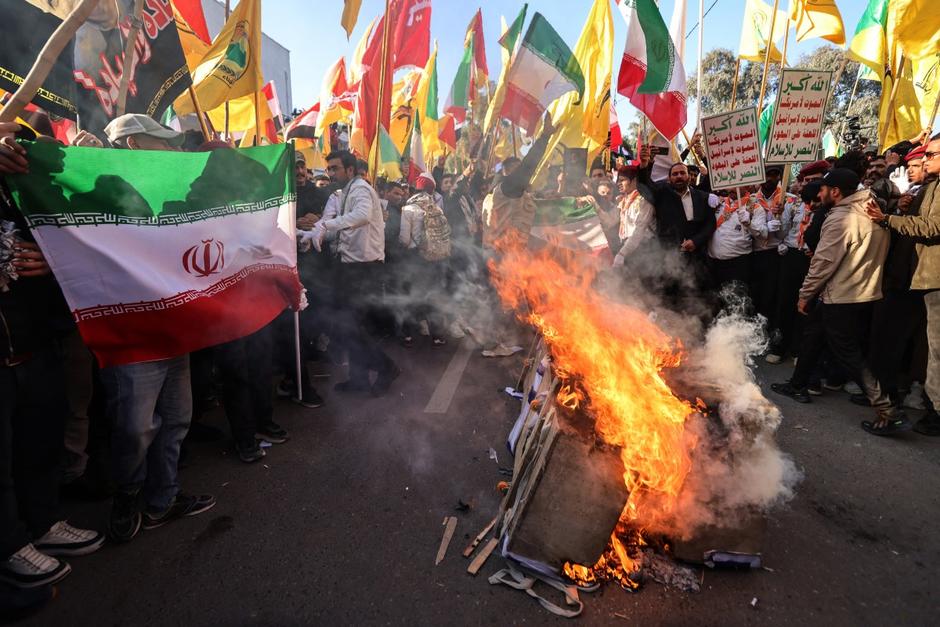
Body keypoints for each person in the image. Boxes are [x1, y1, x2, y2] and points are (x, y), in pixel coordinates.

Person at [99, 115, 216, 541]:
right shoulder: (101, 192)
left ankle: (163, 498)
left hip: (175, 331)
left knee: (175, 421)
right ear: (133, 145)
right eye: (162, 142)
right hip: (133, 336)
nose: (173, 151)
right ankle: (127, 496)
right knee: (134, 428)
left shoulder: (173, 192)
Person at [0, 122, 104, 588]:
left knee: (38, 441)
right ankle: (9, 543)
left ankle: (43, 524)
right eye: (9, 140)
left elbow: (76, 238)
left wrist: (50, 257)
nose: (18, 150)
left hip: (36, 344)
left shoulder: (29, 197)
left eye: (25, 143)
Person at [772, 169, 909, 435]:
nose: (818, 193)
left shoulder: (842, 218)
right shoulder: (872, 210)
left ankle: (888, 410)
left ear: (835, 191)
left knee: (849, 353)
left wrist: (804, 295)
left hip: (843, 294)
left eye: (822, 188)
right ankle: (798, 384)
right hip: (860, 292)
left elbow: (823, 263)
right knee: (814, 333)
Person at [302, 150, 399, 396]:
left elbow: (362, 216)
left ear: (350, 170)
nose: (331, 173)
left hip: (364, 271)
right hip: (351, 269)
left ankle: (386, 367)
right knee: (353, 327)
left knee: (350, 328)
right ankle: (359, 380)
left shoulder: (360, 189)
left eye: (335, 168)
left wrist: (324, 225)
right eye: (329, 169)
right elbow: (341, 228)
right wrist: (312, 234)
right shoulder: (344, 193)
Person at [866, 136, 940, 436]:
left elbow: (933, 227)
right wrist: (903, 209)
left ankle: (933, 412)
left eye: (931, 155)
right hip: (914, 277)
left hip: (931, 278)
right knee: (898, 341)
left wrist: (888, 219)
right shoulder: (930, 186)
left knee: (934, 349)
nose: (924, 162)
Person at [399, 173, 451, 346]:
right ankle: (437, 336)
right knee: (432, 296)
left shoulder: (408, 209)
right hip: (434, 259)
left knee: (412, 296)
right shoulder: (436, 208)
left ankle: (408, 335)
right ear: (431, 190)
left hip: (415, 260)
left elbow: (405, 240)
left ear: (415, 190)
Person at [706, 187, 767, 297]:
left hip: (737, 265)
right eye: (729, 184)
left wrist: (749, 224)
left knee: (736, 302)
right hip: (713, 264)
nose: (731, 188)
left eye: (736, 184)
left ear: (746, 186)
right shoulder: (719, 203)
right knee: (716, 301)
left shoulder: (755, 207)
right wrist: (705, 198)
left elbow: (763, 235)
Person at [611, 165, 655, 266]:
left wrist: (622, 254)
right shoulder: (622, 200)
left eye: (622, 180)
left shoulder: (644, 200)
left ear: (634, 180)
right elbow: (610, 221)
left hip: (644, 249)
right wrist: (594, 205)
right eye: (618, 180)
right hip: (627, 247)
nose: (618, 183)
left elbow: (639, 230)